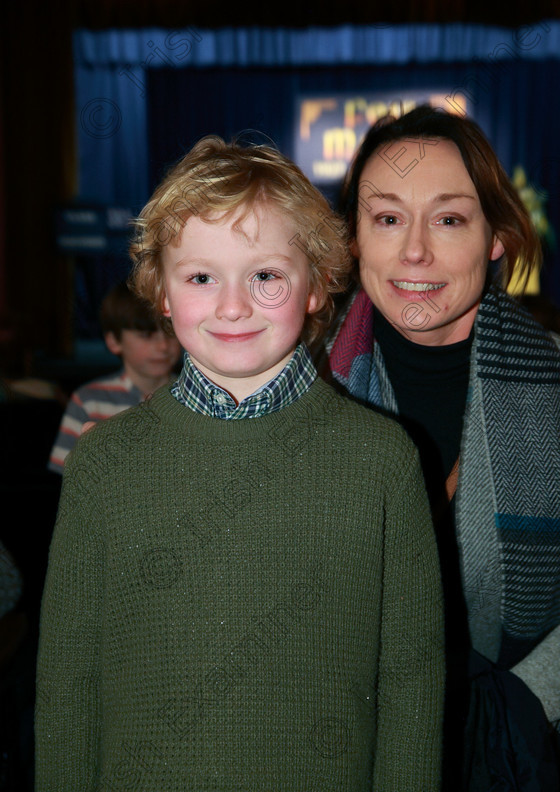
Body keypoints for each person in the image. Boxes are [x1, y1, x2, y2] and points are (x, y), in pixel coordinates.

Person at [36, 137, 444, 791]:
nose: (232, 305)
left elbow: (412, 689)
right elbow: (67, 690)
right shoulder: (102, 465)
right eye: (201, 277)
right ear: (161, 294)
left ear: (315, 285)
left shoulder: (383, 464)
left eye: (266, 276)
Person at [320, 105, 560, 789]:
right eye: (388, 219)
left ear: (496, 238)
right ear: (354, 240)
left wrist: (522, 706)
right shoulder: (297, 393)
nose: (415, 251)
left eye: (449, 219)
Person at [48, 281, 181, 473]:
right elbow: (67, 477)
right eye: (146, 335)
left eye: (170, 332)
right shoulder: (89, 400)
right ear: (114, 341)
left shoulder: (196, 397)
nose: (163, 346)